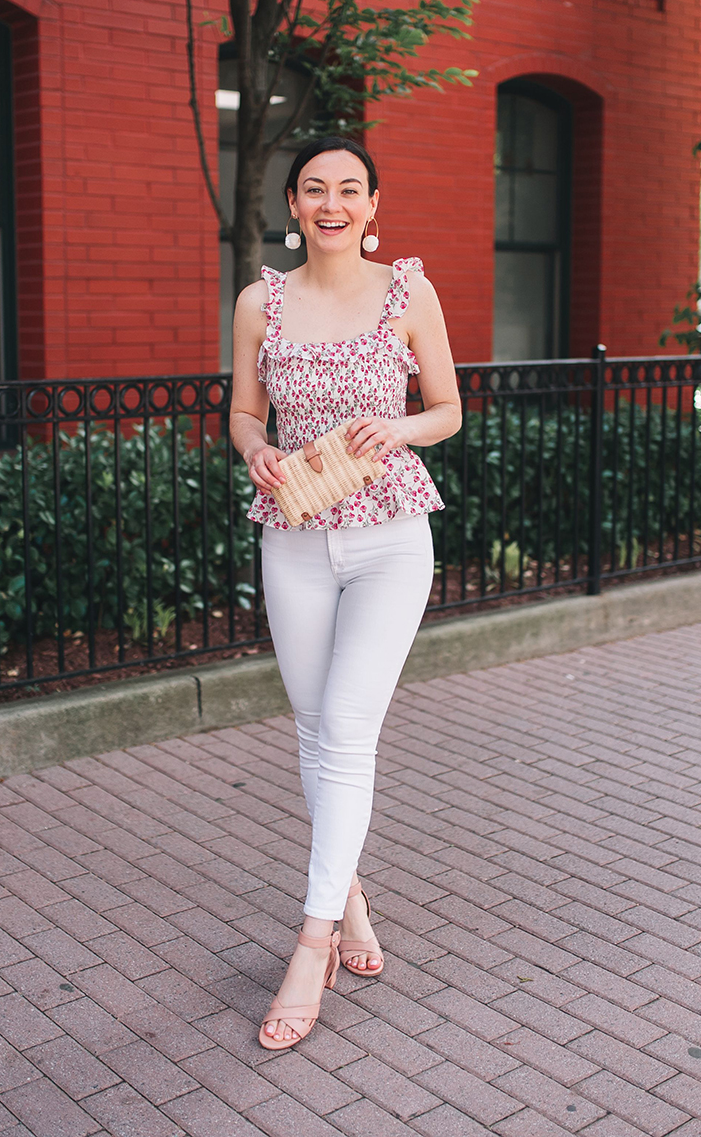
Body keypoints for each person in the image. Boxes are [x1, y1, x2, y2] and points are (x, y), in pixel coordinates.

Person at [229, 135, 461, 1050]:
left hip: (392, 540)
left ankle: (312, 939)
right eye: (315, 189)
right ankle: (352, 897)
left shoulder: (410, 292)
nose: (332, 203)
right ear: (293, 204)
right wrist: (256, 448)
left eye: (349, 190)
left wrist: (394, 425)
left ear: (373, 207)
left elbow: (447, 408)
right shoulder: (261, 301)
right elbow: (244, 409)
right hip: (293, 532)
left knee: (350, 730)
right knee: (314, 725)